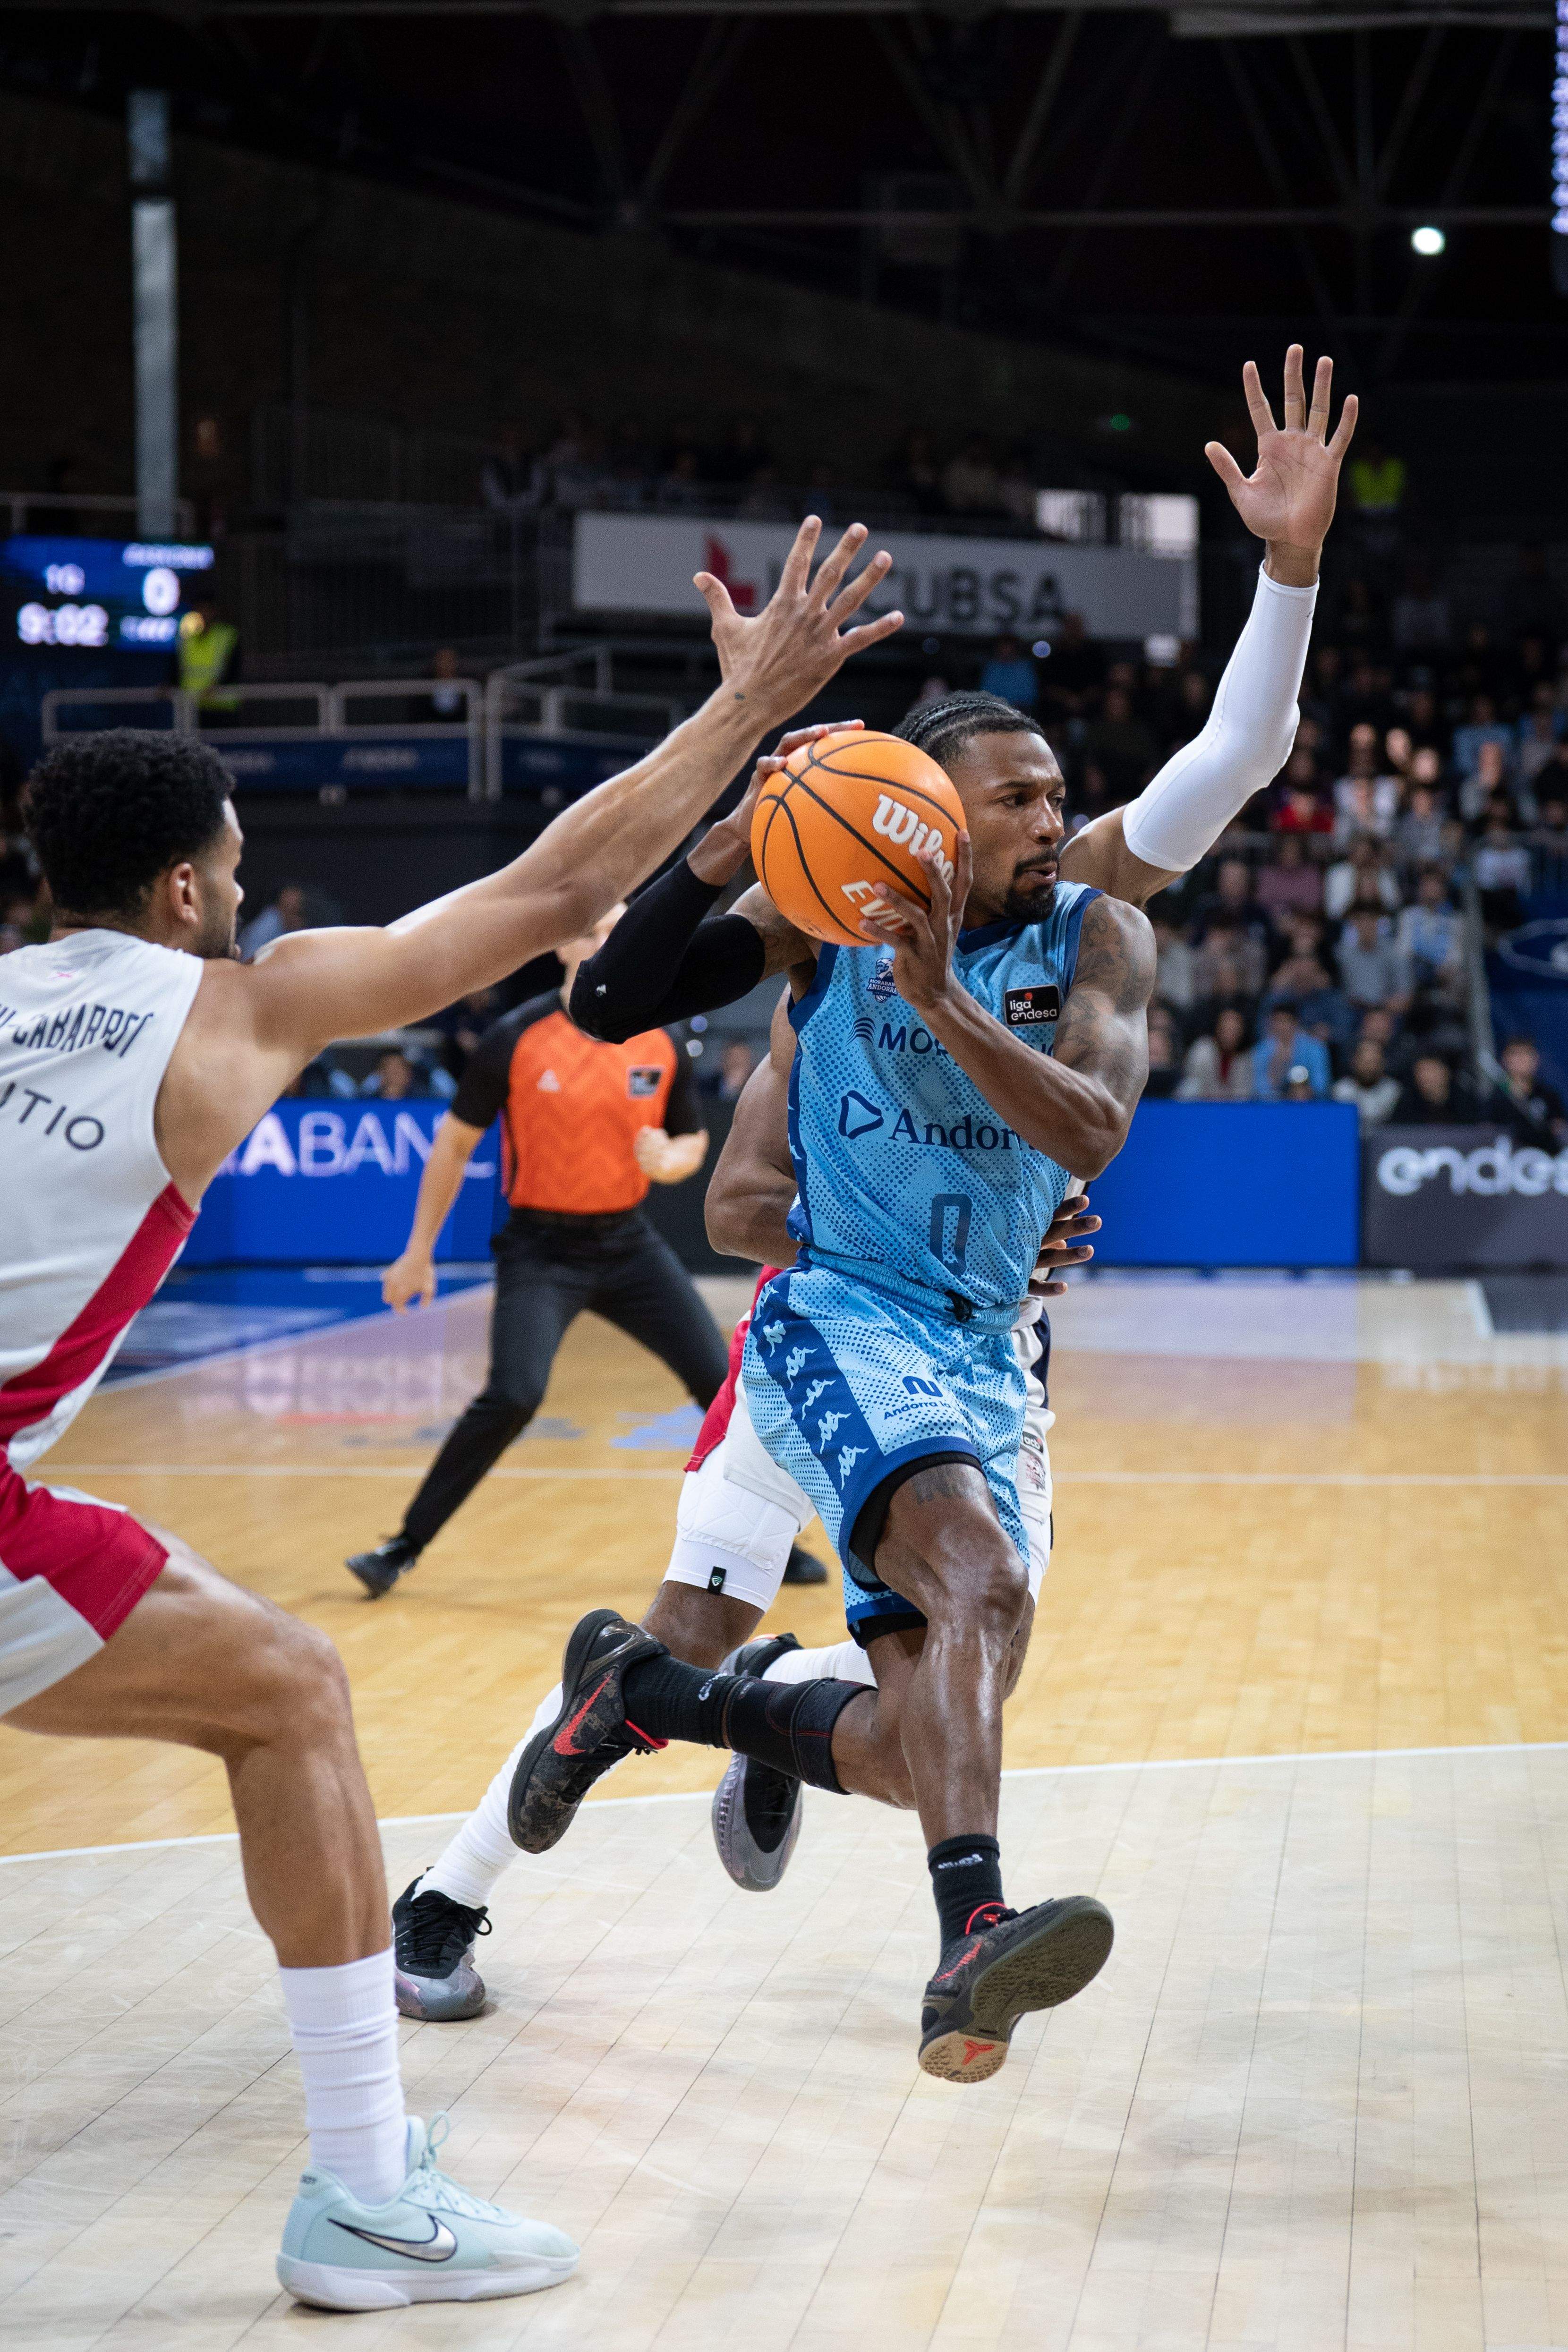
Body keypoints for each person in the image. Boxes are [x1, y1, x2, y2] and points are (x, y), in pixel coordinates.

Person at [0, 513, 904, 2305]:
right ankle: (361, 2191)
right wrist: (747, 709)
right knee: (291, 1694)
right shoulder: (230, 1008)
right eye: (238, 864)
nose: (246, 890)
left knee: (281, 1678)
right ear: (186, 889)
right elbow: (561, 891)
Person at [445, 350, 1355, 2081]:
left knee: (948, 1684)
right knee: (967, 1568)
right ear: (927, 820)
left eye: (1045, 788)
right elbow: (624, 993)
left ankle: (683, 1702)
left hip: (987, 1349)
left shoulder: (1090, 917)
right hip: (835, 1309)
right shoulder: (822, 923)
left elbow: (1223, 780)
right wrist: (725, 841)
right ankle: (965, 1945)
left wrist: (1286, 564)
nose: (1043, 811)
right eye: (1010, 793)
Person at [343, 905, 729, 1598]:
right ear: (560, 945)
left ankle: (766, 1547)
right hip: (541, 1250)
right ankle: (404, 1544)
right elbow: (456, 1145)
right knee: (515, 1393)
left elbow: (691, 1141)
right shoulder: (516, 1037)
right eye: (589, 931)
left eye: (615, 931)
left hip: (628, 1243)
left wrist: (671, 1157)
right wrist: (417, 1250)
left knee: (721, 1384)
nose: (603, 943)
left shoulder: (657, 1041)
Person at [1493, 1035, 1568, 1144]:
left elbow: (1559, 1130)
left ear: (1535, 1060)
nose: (1521, 1059)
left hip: (1545, 1156)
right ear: (1505, 1060)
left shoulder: (1549, 1096)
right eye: (1515, 1054)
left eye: (1526, 1053)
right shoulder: (1496, 1100)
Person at [1177, 1003, 1254, 1099]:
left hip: (1231, 1110)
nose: (1229, 1035)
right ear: (1218, 1028)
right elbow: (1193, 1083)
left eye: (1234, 1030)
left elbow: (1243, 1095)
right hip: (1200, 1105)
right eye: (1226, 1029)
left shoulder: (1244, 1059)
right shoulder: (1203, 1049)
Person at [1252, 1004, 1330, 1098]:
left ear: (1295, 1024)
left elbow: (1321, 1084)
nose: (1282, 1027)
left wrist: (1306, 1091)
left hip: (1310, 1103)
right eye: (1278, 1022)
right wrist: (1277, 1067)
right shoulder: (1261, 1051)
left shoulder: (1315, 1047)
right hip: (1276, 1106)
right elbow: (1259, 1088)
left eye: (1286, 1022)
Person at [1333, 1037, 1400, 1126]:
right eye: (1365, 1062)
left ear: (1383, 1063)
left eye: (1373, 1062)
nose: (1369, 1068)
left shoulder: (1393, 1090)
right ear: (1354, 1062)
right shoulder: (1341, 1089)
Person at [980, 635, 1039, 712]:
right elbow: (986, 692)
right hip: (995, 711)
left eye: (1008, 648)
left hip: (1019, 711)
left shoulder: (1024, 668)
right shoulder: (992, 668)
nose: (1006, 652)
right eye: (1003, 648)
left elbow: (1030, 694)